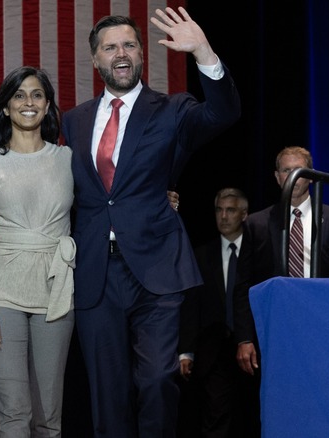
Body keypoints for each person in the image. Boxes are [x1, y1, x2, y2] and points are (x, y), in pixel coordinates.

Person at [61, 8, 240, 437]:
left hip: (156, 269)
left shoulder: (172, 110)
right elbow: (60, 185)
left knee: (159, 380)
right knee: (108, 393)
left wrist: (204, 52)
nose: (120, 54)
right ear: (95, 59)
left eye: (129, 45)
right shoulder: (74, 119)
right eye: (110, 47)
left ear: (142, 53)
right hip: (95, 272)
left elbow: (224, 114)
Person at [0, 66, 76, 437]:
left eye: (37, 95)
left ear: (48, 106)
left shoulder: (68, 160)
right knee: (13, 413)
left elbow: (110, 199)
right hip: (1, 295)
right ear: (6, 108)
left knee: (49, 417)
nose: (29, 102)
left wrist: (163, 199)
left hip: (56, 293)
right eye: (19, 95)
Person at [238, 146, 329, 382]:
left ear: (312, 176)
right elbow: (243, 284)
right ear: (277, 177)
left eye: (299, 170)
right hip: (276, 326)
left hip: (325, 324)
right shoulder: (256, 224)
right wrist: (244, 338)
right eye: (286, 170)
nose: (293, 176)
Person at [177, 188, 260, 438]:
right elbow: (192, 305)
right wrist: (186, 350)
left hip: (254, 350)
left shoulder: (260, 250)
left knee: (254, 416)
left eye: (231, 210)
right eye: (219, 210)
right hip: (213, 352)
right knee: (215, 420)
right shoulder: (201, 254)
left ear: (245, 214)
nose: (223, 216)